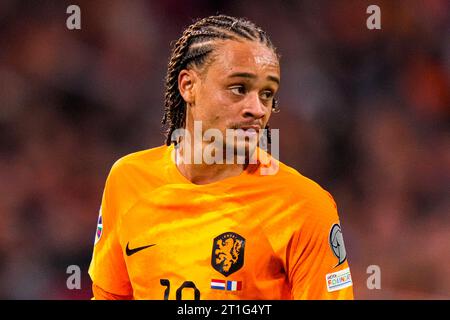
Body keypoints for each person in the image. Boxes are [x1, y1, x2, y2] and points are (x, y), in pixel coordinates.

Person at [88, 14, 354, 300]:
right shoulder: (128, 180)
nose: (257, 109)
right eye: (239, 88)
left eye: (267, 94)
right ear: (188, 85)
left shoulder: (303, 206)